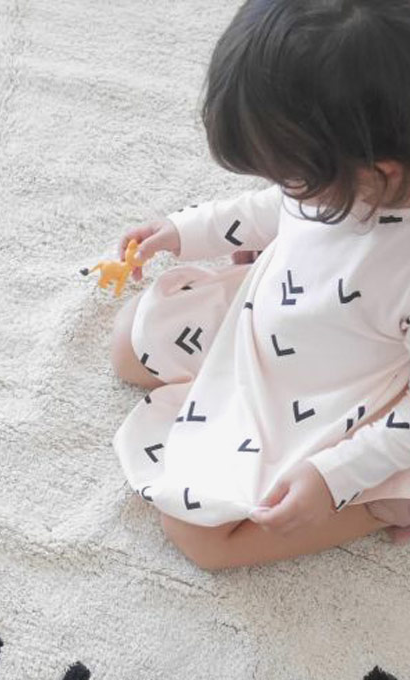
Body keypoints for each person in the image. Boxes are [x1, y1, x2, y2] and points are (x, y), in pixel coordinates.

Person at [110, 0, 410, 570]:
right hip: (282, 312)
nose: (283, 186)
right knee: (130, 342)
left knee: (199, 534)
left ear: (379, 175)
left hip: (344, 392)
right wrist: (182, 230)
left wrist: (335, 476)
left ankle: (385, 501)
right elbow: (275, 209)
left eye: (291, 177)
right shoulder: (347, 175)